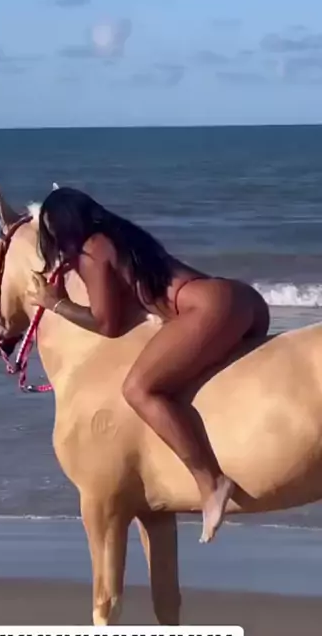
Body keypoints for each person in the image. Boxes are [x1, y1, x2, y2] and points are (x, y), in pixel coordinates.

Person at [27, 187, 270, 543]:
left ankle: (211, 481)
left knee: (138, 389)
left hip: (209, 308)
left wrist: (55, 303)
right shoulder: (122, 235)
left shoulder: (91, 250)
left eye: (54, 231)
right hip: (245, 301)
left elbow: (107, 324)